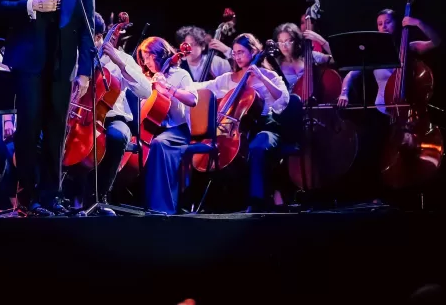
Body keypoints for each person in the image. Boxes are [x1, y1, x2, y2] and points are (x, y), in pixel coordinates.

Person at [0, 0, 95, 216]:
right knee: (27, 130)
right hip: (28, 63)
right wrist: (29, 6)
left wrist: (86, 71)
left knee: (55, 132)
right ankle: (28, 193)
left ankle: (50, 196)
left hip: (63, 65)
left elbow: (88, 27)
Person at [68, 13, 154, 212]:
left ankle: (99, 197)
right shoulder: (76, 57)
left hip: (113, 117)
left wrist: (119, 62)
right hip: (80, 117)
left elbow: (145, 91)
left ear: (99, 37)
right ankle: (64, 196)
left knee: (116, 137)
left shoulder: (120, 58)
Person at [199, 33, 290, 211]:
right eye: (234, 53)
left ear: (253, 51)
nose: (237, 57)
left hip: (266, 127)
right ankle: (224, 203)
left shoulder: (268, 75)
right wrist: (175, 88)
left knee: (256, 147)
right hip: (238, 129)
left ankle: (256, 202)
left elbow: (283, 99)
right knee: (219, 150)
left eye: (241, 52)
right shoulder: (228, 78)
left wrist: (261, 76)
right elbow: (203, 87)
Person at [137, 37, 198, 215]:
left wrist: (168, 87)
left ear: (161, 54)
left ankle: (161, 208)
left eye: (149, 56)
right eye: (144, 58)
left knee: (158, 145)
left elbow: (193, 100)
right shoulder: (147, 78)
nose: (146, 62)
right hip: (153, 129)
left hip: (177, 131)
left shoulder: (181, 75)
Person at [338, 9, 441, 110]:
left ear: (396, 23)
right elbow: (351, 74)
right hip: (382, 109)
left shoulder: (407, 47)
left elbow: (436, 42)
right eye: (380, 24)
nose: (384, 26)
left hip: (407, 107)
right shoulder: (374, 54)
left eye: (388, 22)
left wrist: (418, 23)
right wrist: (344, 94)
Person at [273, 22, 332, 90]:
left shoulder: (310, 56)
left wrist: (319, 39)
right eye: (280, 42)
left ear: (296, 41)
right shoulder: (277, 64)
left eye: (288, 41)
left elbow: (336, 58)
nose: (284, 46)